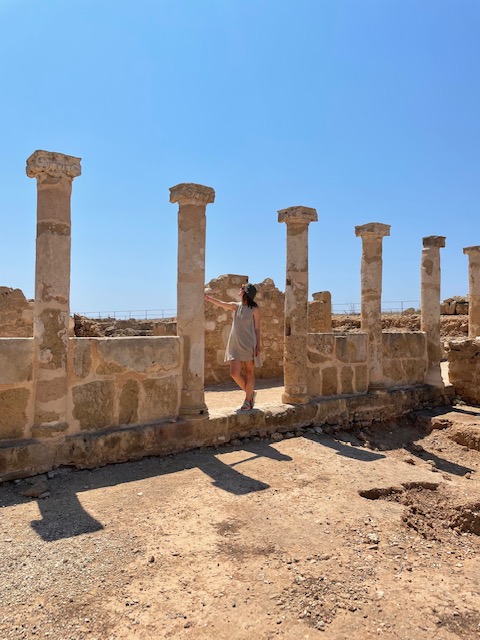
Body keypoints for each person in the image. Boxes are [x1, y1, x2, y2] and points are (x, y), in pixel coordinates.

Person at [205, 283, 261, 411]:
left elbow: (257, 329)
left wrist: (258, 345)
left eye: (242, 288)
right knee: (234, 373)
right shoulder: (236, 306)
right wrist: (208, 298)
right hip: (235, 344)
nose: (239, 290)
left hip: (249, 344)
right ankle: (250, 393)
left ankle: (247, 400)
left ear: (245, 292)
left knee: (249, 373)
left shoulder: (255, 309)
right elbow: (221, 303)